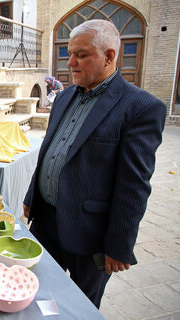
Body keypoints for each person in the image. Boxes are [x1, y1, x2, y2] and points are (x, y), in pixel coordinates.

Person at [23, 20, 166, 308]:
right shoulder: (64, 98)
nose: (71, 62)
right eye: (69, 53)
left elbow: (134, 185)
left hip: (91, 234)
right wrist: (31, 197)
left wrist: (119, 245)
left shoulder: (140, 107)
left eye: (82, 55)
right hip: (46, 223)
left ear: (109, 56)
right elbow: (50, 153)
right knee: (33, 291)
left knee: (79, 306)